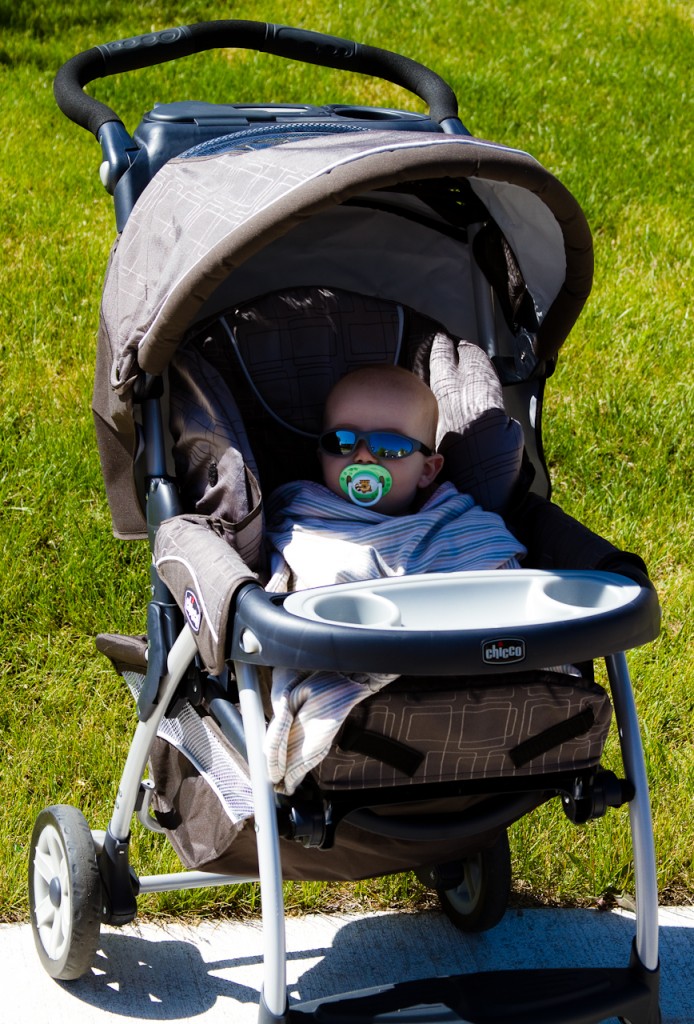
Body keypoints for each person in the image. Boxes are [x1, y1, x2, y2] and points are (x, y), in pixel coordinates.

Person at [263, 364, 526, 794]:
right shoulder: (302, 516)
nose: (363, 458)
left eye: (389, 447)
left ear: (427, 469)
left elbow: (502, 585)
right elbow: (284, 580)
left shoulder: (453, 523)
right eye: (342, 441)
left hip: (461, 681)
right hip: (352, 676)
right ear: (321, 454)